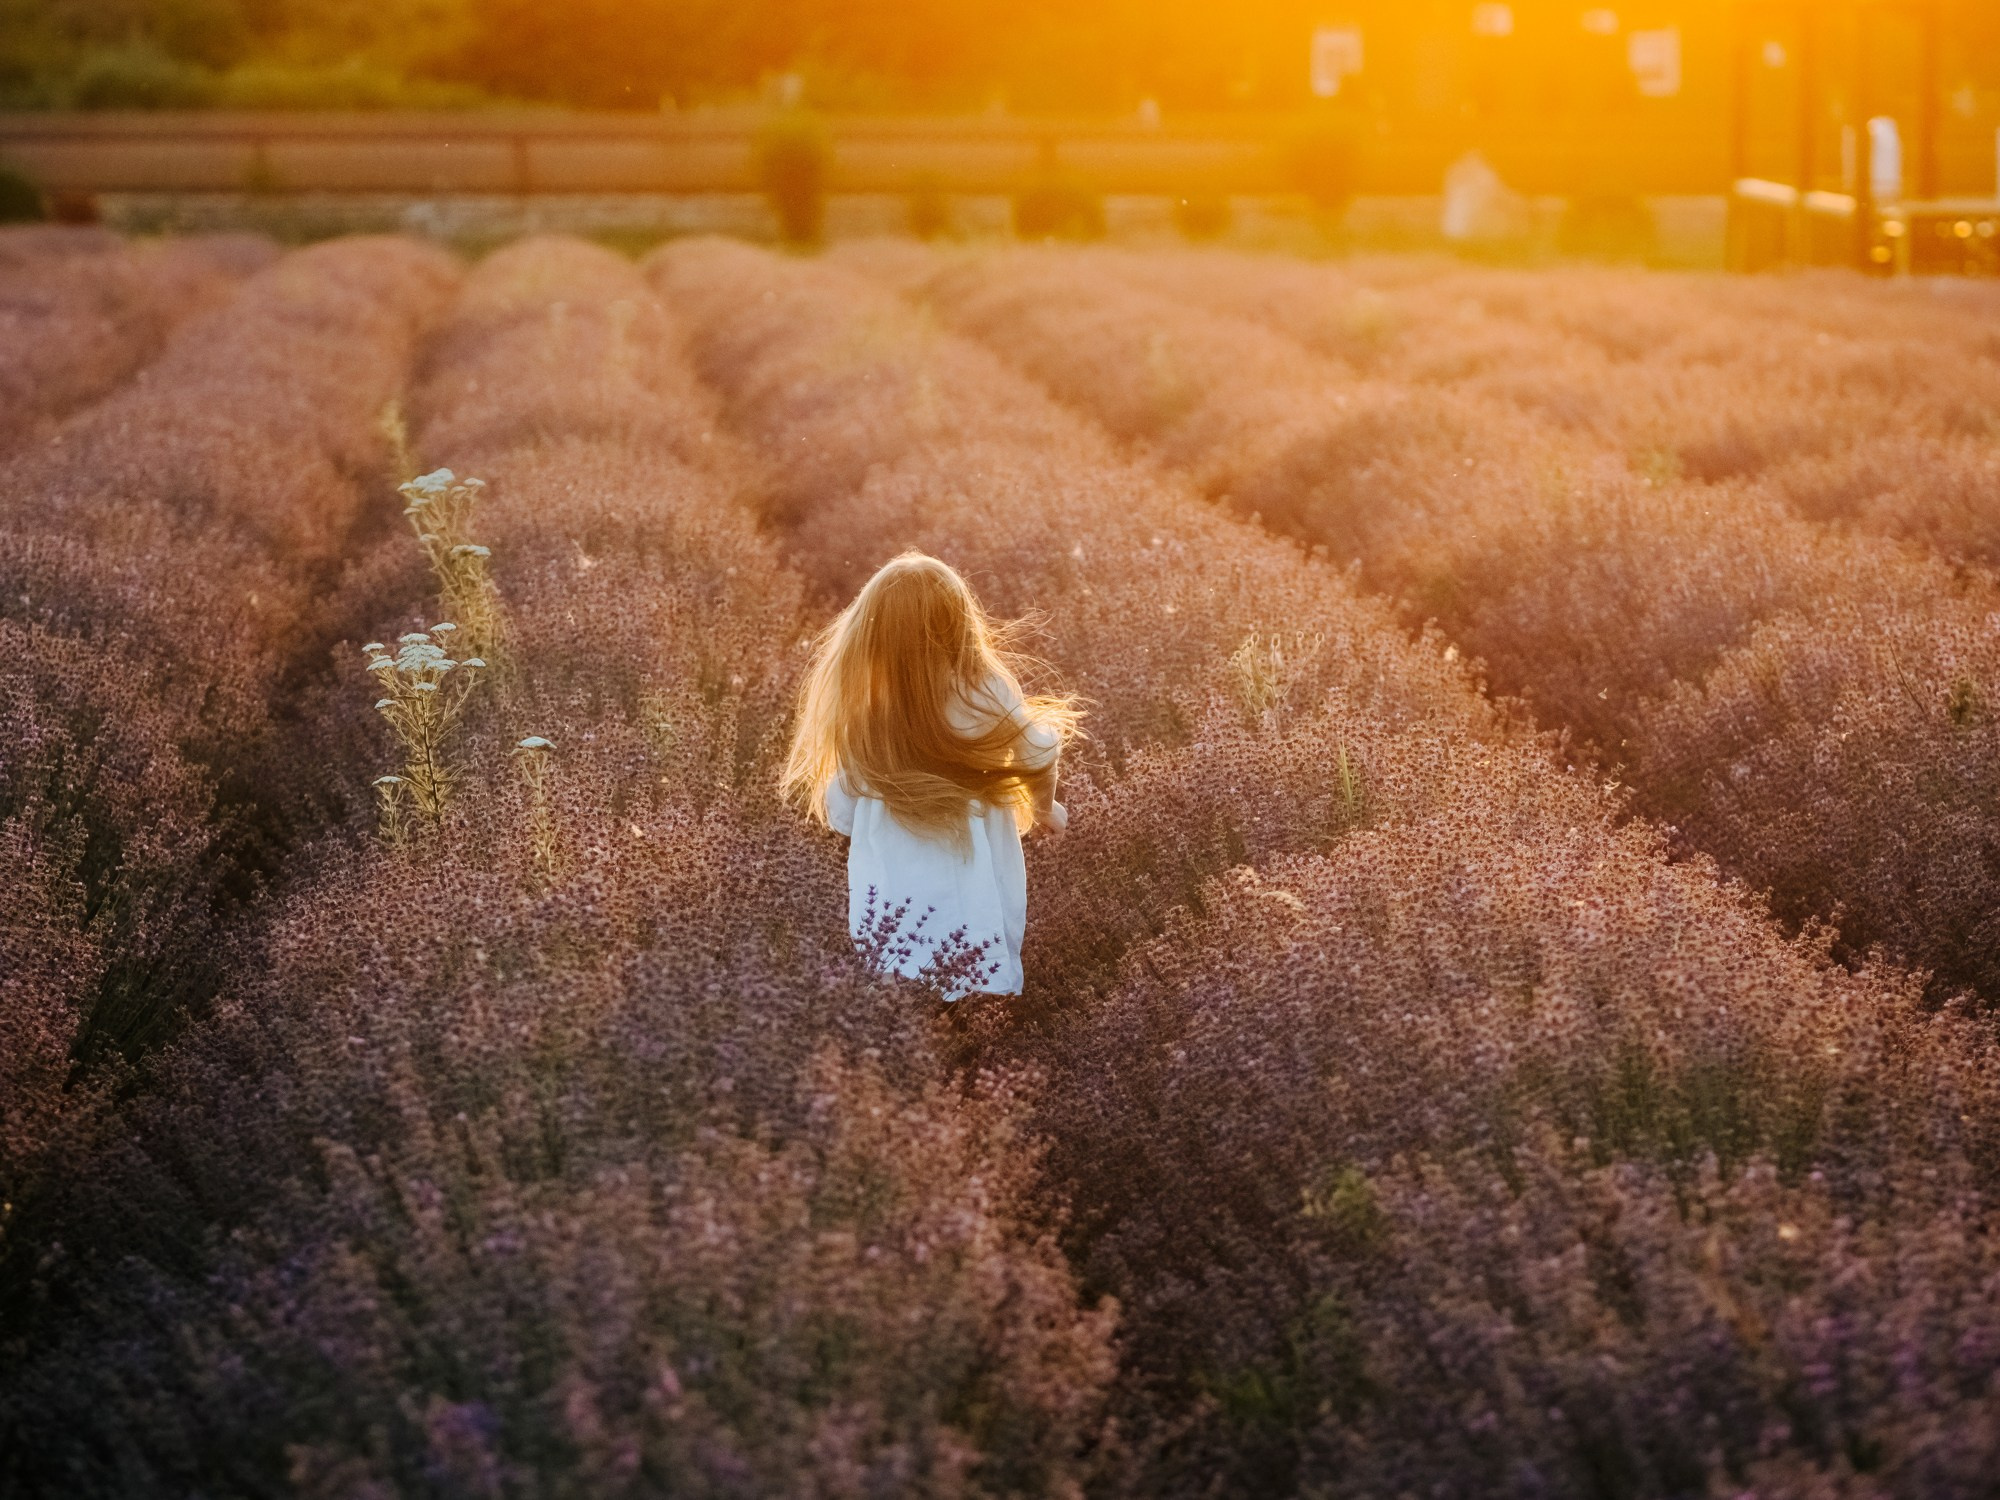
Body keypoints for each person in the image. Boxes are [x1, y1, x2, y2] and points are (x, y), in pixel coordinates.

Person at [782, 552, 1080, 999]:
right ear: (960, 626)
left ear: (872, 636)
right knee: (980, 978)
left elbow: (840, 812)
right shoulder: (985, 693)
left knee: (899, 984)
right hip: (976, 881)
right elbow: (1039, 752)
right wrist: (1042, 809)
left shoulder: (867, 715)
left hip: (896, 904)